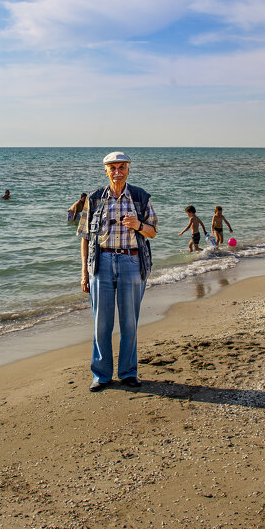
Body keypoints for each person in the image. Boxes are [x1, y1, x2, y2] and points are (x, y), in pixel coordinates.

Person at [77, 151, 158, 392]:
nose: (117, 171)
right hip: (100, 262)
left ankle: (128, 372)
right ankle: (101, 375)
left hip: (131, 261)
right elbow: (83, 237)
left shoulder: (140, 197)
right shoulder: (94, 198)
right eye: (112, 167)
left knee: (129, 322)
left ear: (128, 169)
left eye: (121, 167)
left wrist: (138, 225)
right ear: (106, 171)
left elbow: (153, 231)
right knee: (101, 322)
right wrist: (84, 272)